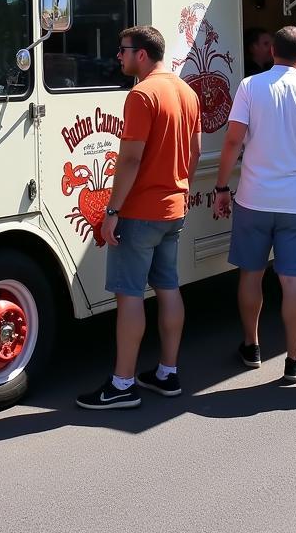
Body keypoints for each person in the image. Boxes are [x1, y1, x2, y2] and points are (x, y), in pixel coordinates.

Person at [76, 26, 201, 410]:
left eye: (123, 50)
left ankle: (122, 384)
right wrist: (179, 187)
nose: (119, 57)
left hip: (141, 212)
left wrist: (112, 211)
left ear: (142, 55)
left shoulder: (142, 94)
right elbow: (195, 152)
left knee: (130, 296)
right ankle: (167, 372)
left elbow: (129, 159)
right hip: (173, 209)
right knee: (168, 288)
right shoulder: (187, 92)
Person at [212, 26, 296, 383]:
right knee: (292, 281)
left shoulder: (250, 87)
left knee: (251, 274)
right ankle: (293, 358)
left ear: (272, 53)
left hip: (253, 198)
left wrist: (222, 186)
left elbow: (233, 141)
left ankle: (251, 346)